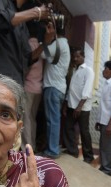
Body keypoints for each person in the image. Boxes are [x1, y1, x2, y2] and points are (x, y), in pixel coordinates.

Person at [0, 1, 51, 85]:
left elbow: (27, 59)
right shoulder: (0, 3)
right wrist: (36, 12)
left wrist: (46, 42)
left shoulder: (21, 21)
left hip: (14, 84)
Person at [39, 21, 71, 159]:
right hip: (58, 87)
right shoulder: (64, 44)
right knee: (54, 120)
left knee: (52, 120)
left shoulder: (59, 44)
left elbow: (42, 54)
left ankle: (52, 150)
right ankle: (53, 147)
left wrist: (46, 38)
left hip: (53, 87)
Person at [62, 48, 95, 163]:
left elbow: (87, 91)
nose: (75, 59)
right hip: (72, 105)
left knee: (84, 131)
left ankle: (88, 157)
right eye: (74, 57)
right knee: (68, 127)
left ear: (83, 57)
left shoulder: (88, 71)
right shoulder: (75, 70)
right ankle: (72, 151)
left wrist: (79, 107)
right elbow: (71, 89)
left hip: (82, 108)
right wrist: (66, 104)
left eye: (78, 56)